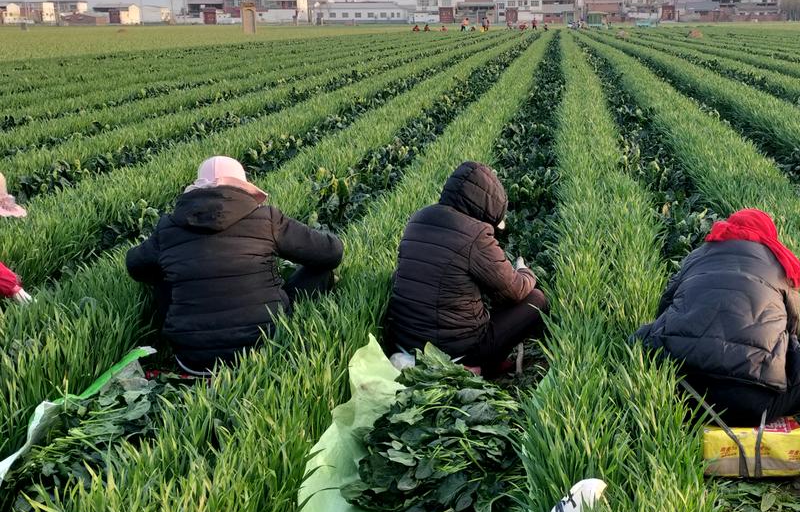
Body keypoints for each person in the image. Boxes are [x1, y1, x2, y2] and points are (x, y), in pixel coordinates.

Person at [126, 156, 342, 375]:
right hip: (264, 345)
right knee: (321, 272)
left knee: (161, 277)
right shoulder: (267, 219)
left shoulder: (167, 228)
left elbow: (135, 266)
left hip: (192, 359)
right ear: (242, 188)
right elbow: (331, 254)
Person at [633, 209, 800, 425]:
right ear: (768, 236)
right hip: (751, 406)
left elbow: (664, 306)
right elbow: (793, 328)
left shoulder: (698, 256)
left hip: (680, 389)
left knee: (642, 334)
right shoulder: (781, 263)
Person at [385, 161, 548, 375]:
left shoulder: (418, 218)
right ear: (486, 210)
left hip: (405, 339)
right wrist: (525, 271)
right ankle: (481, 367)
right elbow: (514, 290)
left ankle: (442, 363)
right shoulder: (476, 234)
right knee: (536, 299)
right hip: (454, 348)